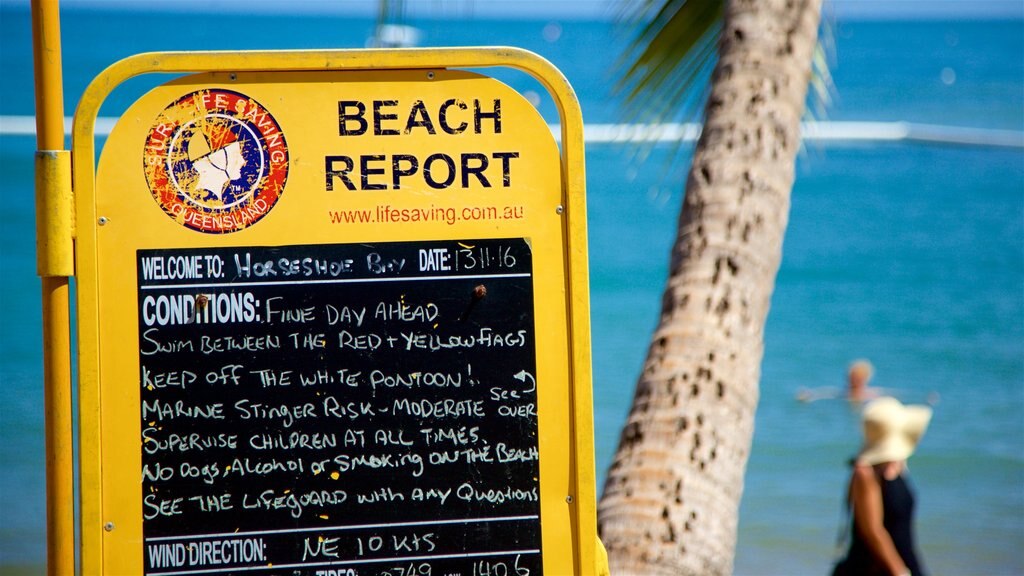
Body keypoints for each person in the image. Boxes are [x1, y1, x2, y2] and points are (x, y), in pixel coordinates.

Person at [833, 396, 932, 576]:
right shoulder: (865, 473)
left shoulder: (898, 464)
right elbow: (872, 530)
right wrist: (899, 571)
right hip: (876, 566)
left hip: (907, 558)